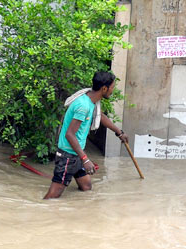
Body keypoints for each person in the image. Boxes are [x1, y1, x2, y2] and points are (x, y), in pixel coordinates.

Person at [44, 70, 127, 199]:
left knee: (86, 187)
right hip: (68, 156)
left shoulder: (91, 100)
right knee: (53, 196)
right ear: (104, 88)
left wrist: (118, 132)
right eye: (112, 87)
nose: (113, 90)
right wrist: (85, 159)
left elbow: (100, 116)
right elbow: (70, 135)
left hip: (77, 153)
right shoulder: (83, 106)